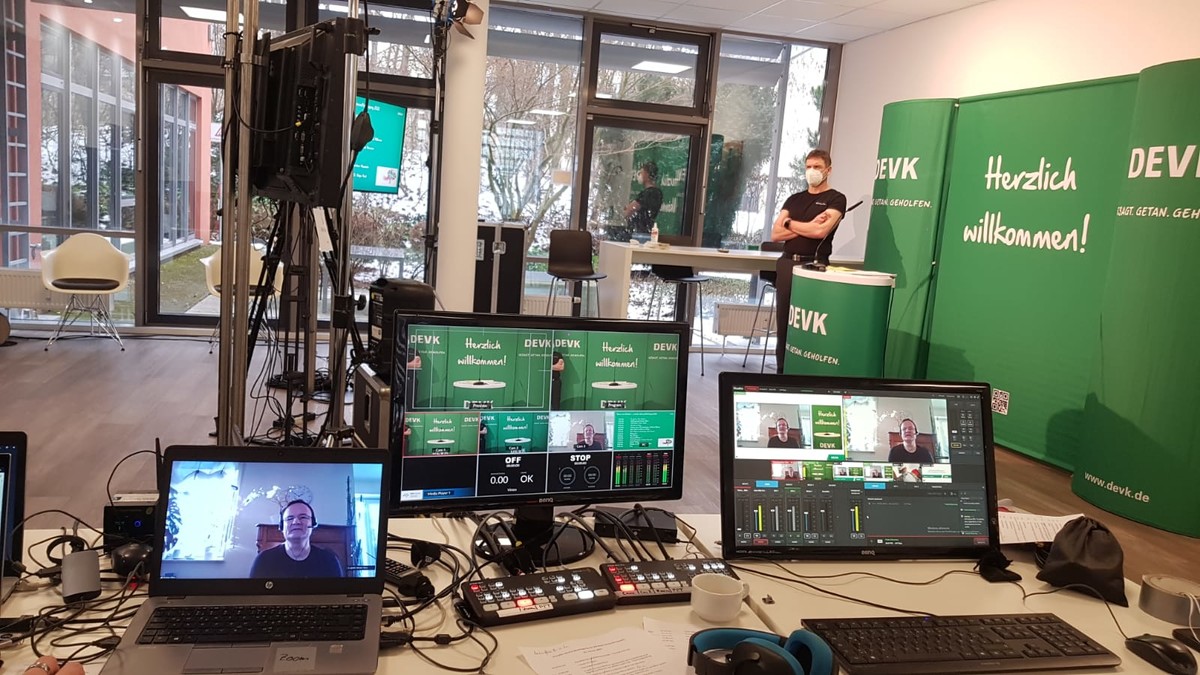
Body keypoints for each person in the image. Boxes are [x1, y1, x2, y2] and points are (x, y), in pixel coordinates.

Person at [770, 150, 847, 373]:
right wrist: (808, 225)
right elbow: (775, 234)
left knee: (811, 321)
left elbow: (820, 231)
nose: (811, 171)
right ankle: (782, 372)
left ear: (828, 170)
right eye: (808, 167)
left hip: (815, 265)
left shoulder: (836, 199)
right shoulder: (794, 199)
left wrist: (789, 223)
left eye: (817, 167)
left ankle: (807, 370)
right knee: (784, 320)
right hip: (787, 264)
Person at [250, 500, 344, 578]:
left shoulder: (329, 560)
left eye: (303, 517)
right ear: (282, 527)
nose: (296, 522)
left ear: (312, 524)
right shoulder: (264, 560)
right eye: (289, 518)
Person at [623, 161, 664, 237]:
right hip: (644, 232)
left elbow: (629, 210)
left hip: (640, 233)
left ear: (647, 174)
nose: (639, 175)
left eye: (641, 173)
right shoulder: (657, 193)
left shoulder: (649, 193)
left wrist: (628, 209)